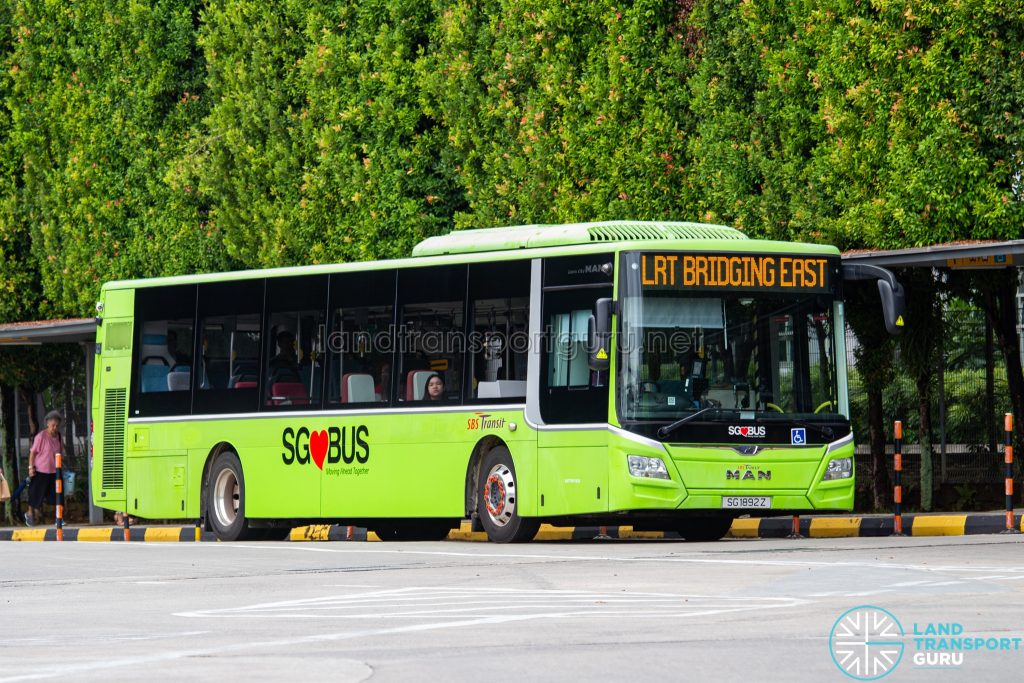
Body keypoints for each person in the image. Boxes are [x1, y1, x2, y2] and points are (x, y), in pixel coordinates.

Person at [25, 410, 63, 526]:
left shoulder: (59, 436)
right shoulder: (40, 436)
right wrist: (31, 468)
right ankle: (30, 514)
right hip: (41, 470)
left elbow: (61, 452)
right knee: (35, 494)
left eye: (57, 425)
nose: (55, 428)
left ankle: (59, 518)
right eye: (53, 425)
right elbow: (32, 453)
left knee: (58, 495)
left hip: (55, 472)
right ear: (47, 424)